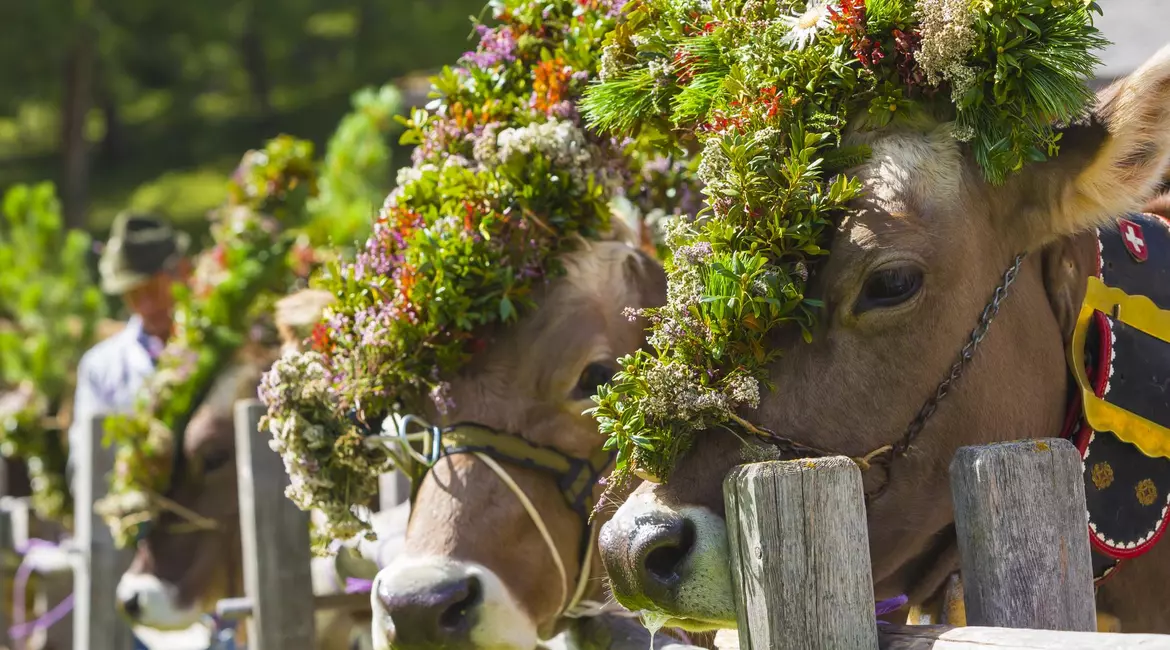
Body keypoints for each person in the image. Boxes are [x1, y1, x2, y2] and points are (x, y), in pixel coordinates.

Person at [68, 212, 191, 650]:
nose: (145, 303)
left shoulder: (214, 348)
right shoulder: (102, 366)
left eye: (153, 287)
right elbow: (83, 464)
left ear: (180, 274)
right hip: (128, 550)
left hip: (205, 543)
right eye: (132, 293)